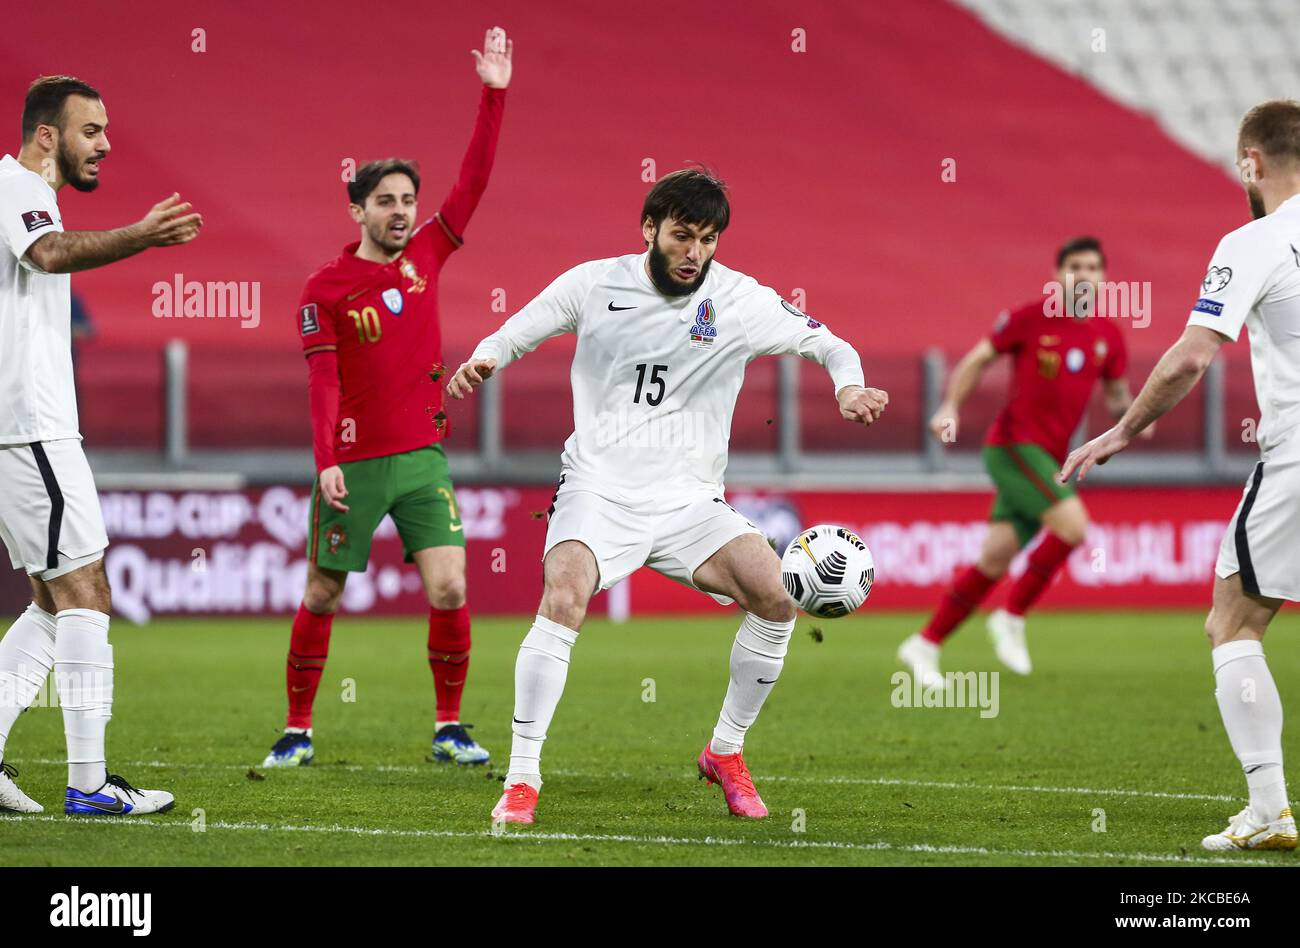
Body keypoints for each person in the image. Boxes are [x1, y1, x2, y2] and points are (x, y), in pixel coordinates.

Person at [445, 168, 889, 824]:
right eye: (682, 236)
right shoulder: (596, 283)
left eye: (708, 239)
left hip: (688, 501)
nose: (695, 252)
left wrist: (848, 385)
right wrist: (484, 358)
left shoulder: (738, 300)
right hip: (598, 488)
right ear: (649, 229)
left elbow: (826, 341)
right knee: (563, 596)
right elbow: (521, 328)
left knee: (776, 596)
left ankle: (725, 751)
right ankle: (523, 777)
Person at [261, 28, 512, 769]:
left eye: (408, 200)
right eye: (386, 201)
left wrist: (494, 93)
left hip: (421, 457)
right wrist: (326, 459)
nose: (403, 212)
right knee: (323, 591)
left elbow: (474, 180)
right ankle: (298, 729)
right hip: (356, 464)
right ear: (357, 211)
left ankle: (449, 727)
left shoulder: (429, 256)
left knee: (450, 583)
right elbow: (323, 379)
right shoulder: (325, 290)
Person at [1063, 100, 1300, 853]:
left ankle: (1268, 809)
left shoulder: (1254, 241)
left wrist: (1122, 430)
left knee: (1232, 623)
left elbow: (1195, 354)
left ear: (1250, 164)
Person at [0, 75, 202, 814]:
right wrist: (142, 236)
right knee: (87, 594)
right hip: (30, 428)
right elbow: (49, 254)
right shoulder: (18, 185)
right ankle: (89, 784)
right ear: (48, 135)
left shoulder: (20, 191)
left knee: (55, 604)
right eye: (92, 131)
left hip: (23, 430)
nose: (107, 145)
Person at [898, 238, 1145, 687]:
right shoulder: (1029, 319)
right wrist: (951, 405)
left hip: (1050, 456)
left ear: (1104, 277)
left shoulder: (1108, 336)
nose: (1084, 275)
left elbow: (1116, 396)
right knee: (1073, 527)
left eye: (1093, 267)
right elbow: (977, 359)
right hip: (1014, 446)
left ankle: (925, 642)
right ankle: (1011, 617)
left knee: (994, 559)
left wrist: (1139, 419)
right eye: (1075, 267)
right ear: (1058, 274)